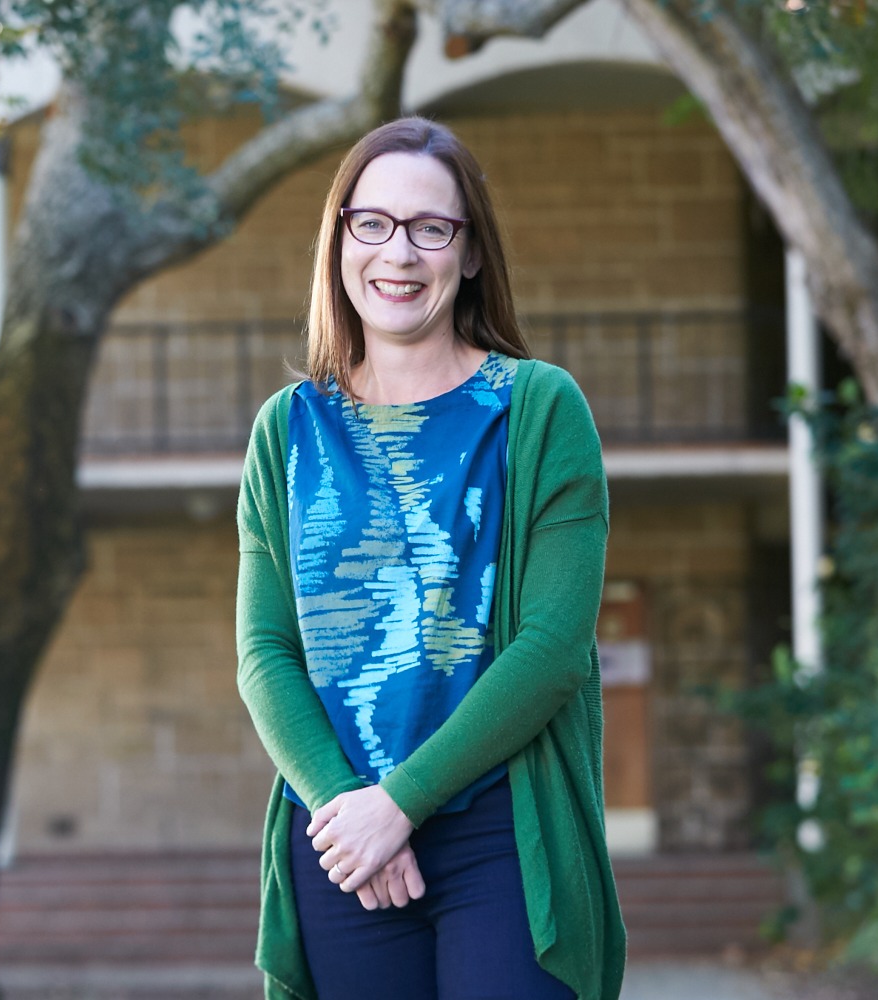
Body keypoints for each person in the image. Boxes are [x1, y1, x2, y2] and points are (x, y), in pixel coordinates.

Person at [235, 117, 625, 1000]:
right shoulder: (286, 432)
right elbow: (265, 653)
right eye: (372, 223)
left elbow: (553, 647)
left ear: (472, 251)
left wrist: (400, 803)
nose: (399, 253)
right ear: (340, 240)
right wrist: (349, 808)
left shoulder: (538, 409)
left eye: (431, 228)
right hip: (338, 834)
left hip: (503, 831)